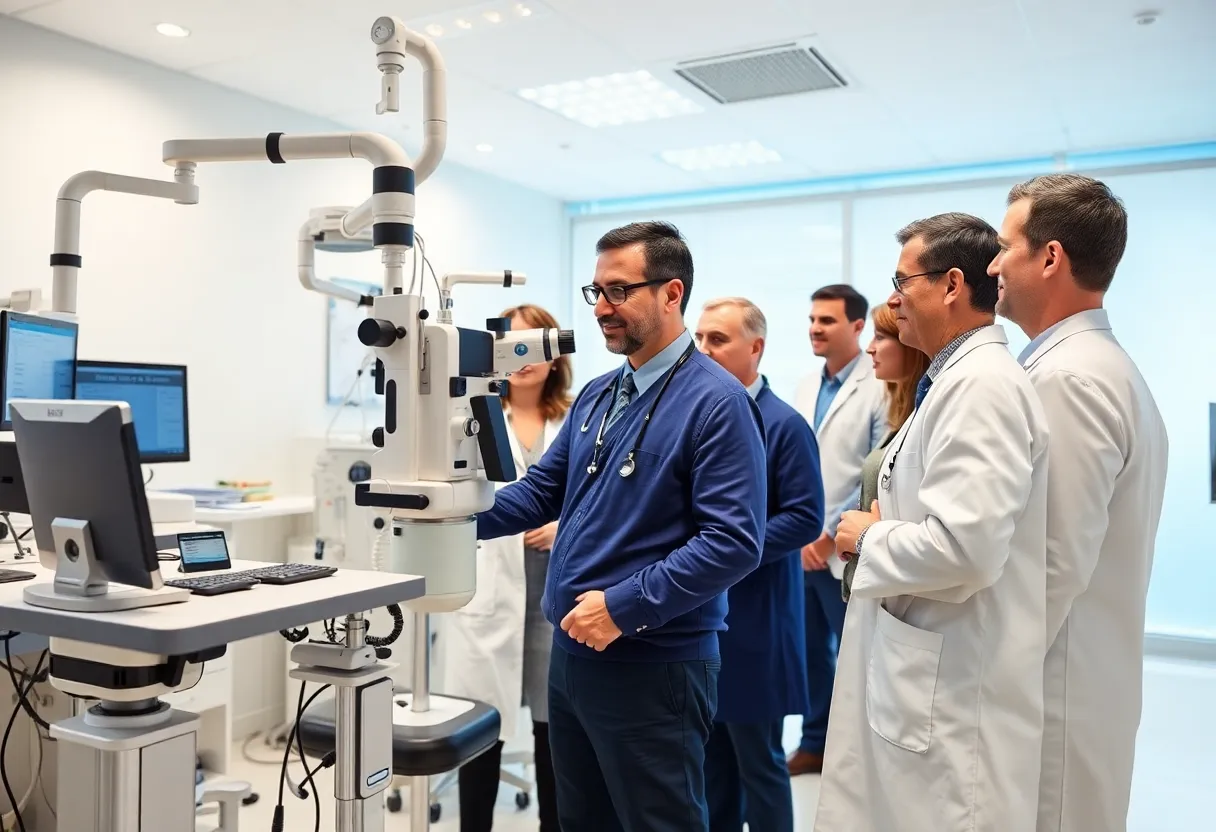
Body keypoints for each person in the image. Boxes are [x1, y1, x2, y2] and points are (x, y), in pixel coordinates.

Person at [475, 221, 768, 832]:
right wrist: (453, 515)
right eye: (597, 292)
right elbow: (544, 490)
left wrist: (623, 607)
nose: (602, 308)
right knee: (581, 820)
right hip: (572, 656)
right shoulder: (598, 394)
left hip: (651, 663)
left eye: (619, 291)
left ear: (671, 293)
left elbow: (733, 542)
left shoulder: (717, 403)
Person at [814, 212, 1051, 832]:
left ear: (951, 285)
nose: (892, 299)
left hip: (951, 692)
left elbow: (966, 549)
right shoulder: (951, 380)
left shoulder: (981, 387)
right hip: (920, 671)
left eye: (902, 281)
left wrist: (865, 536)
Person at [989, 173, 1169, 832]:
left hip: (1054, 697)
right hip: (1077, 685)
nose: (992, 266)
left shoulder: (1070, 379)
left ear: (1049, 257)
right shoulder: (1095, 365)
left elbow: (1051, 567)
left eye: (1004, 247)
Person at [694, 297, 823, 832]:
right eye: (699, 338)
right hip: (702, 618)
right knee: (712, 767)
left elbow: (806, 518)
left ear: (756, 348)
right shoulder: (700, 415)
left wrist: (728, 548)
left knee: (759, 764)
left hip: (756, 621)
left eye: (718, 339)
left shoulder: (784, 425)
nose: (703, 350)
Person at [444, 303, 571, 832]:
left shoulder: (576, 418)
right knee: (481, 728)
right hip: (490, 590)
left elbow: (600, 496)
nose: (522, 357)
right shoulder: (470, 415)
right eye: (510, 345)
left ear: (553, 354)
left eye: (532, 345)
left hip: (555, 596)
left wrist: (563, 525)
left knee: (555, 730)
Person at [789, 283, 886, 775]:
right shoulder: (807, 385)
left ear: (857, 326)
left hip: (841, 547)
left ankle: (858, 753)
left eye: (826, 320)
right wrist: (801, 533)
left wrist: (827, 536)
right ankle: (814, 743)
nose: (815, 328)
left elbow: (875, 469)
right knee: (808, 653)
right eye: (812, 319)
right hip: (800, 546)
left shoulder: (879, 385)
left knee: (856, 654)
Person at [840, 303, 931, 601]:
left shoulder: (927, 415)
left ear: (908, 344)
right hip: (868, 563)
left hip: (895, 574)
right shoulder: (900, 413)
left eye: (880, 337)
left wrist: (866, 535)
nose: (869, 348)